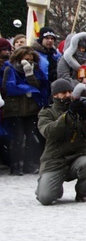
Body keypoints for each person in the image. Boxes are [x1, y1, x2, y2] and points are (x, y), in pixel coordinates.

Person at [35, 79, 86, 204]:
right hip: (55, 160)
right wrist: (68, 116)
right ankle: (49, 185)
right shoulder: (47, 112)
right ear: (55, 95)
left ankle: (82, 192)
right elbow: (49, 132)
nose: (68, 95)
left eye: (70, 91)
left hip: (77, 157)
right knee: (46, 198)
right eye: (63, 92)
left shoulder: (79, 107)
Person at [2, 46, 45, 175]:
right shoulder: (10, 69)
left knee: (31, 137)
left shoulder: (36, 70)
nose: (29, 62)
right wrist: (28, 89)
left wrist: (30, 74)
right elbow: (8, 87)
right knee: (18, 138)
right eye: (26, 59)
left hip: (31, 109)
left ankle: (29, 164)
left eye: (31, 60)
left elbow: (39, 85)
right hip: (15, 109)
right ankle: (16, 165)